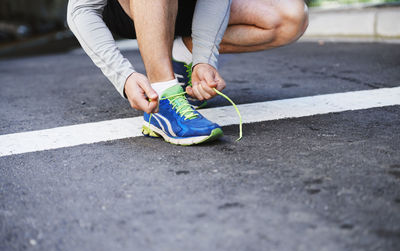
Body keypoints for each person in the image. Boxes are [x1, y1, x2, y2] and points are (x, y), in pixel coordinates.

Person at [67, 0, 308, 145]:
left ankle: (181, 55)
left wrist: (203, 58)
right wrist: (124, 76)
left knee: (290, 17)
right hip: (132, 10)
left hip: (188, 9)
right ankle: (164, 99)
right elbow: (80, 10)